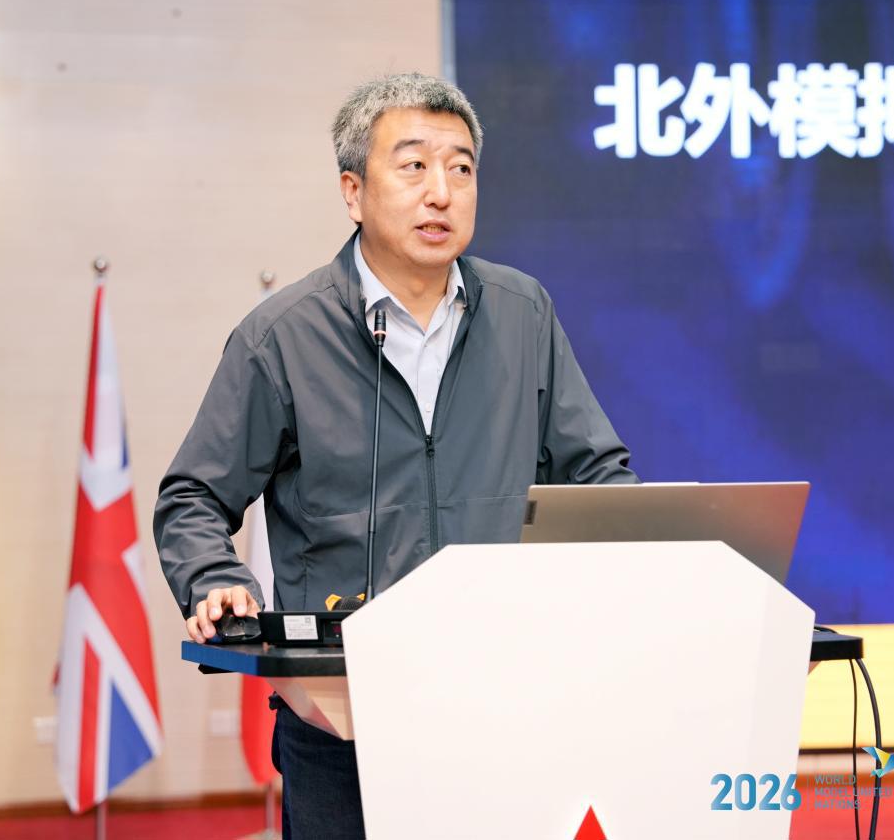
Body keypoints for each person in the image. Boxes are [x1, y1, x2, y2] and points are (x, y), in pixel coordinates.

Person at [154, 72, 638, 839]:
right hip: (343, 717)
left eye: (460, 168)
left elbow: (598, 475)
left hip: (503, 705)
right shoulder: (283, 336)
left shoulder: (523, 314)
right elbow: (193, 496)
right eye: (413, 166)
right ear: (353, 192)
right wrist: (214, 577)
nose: (441, 191)